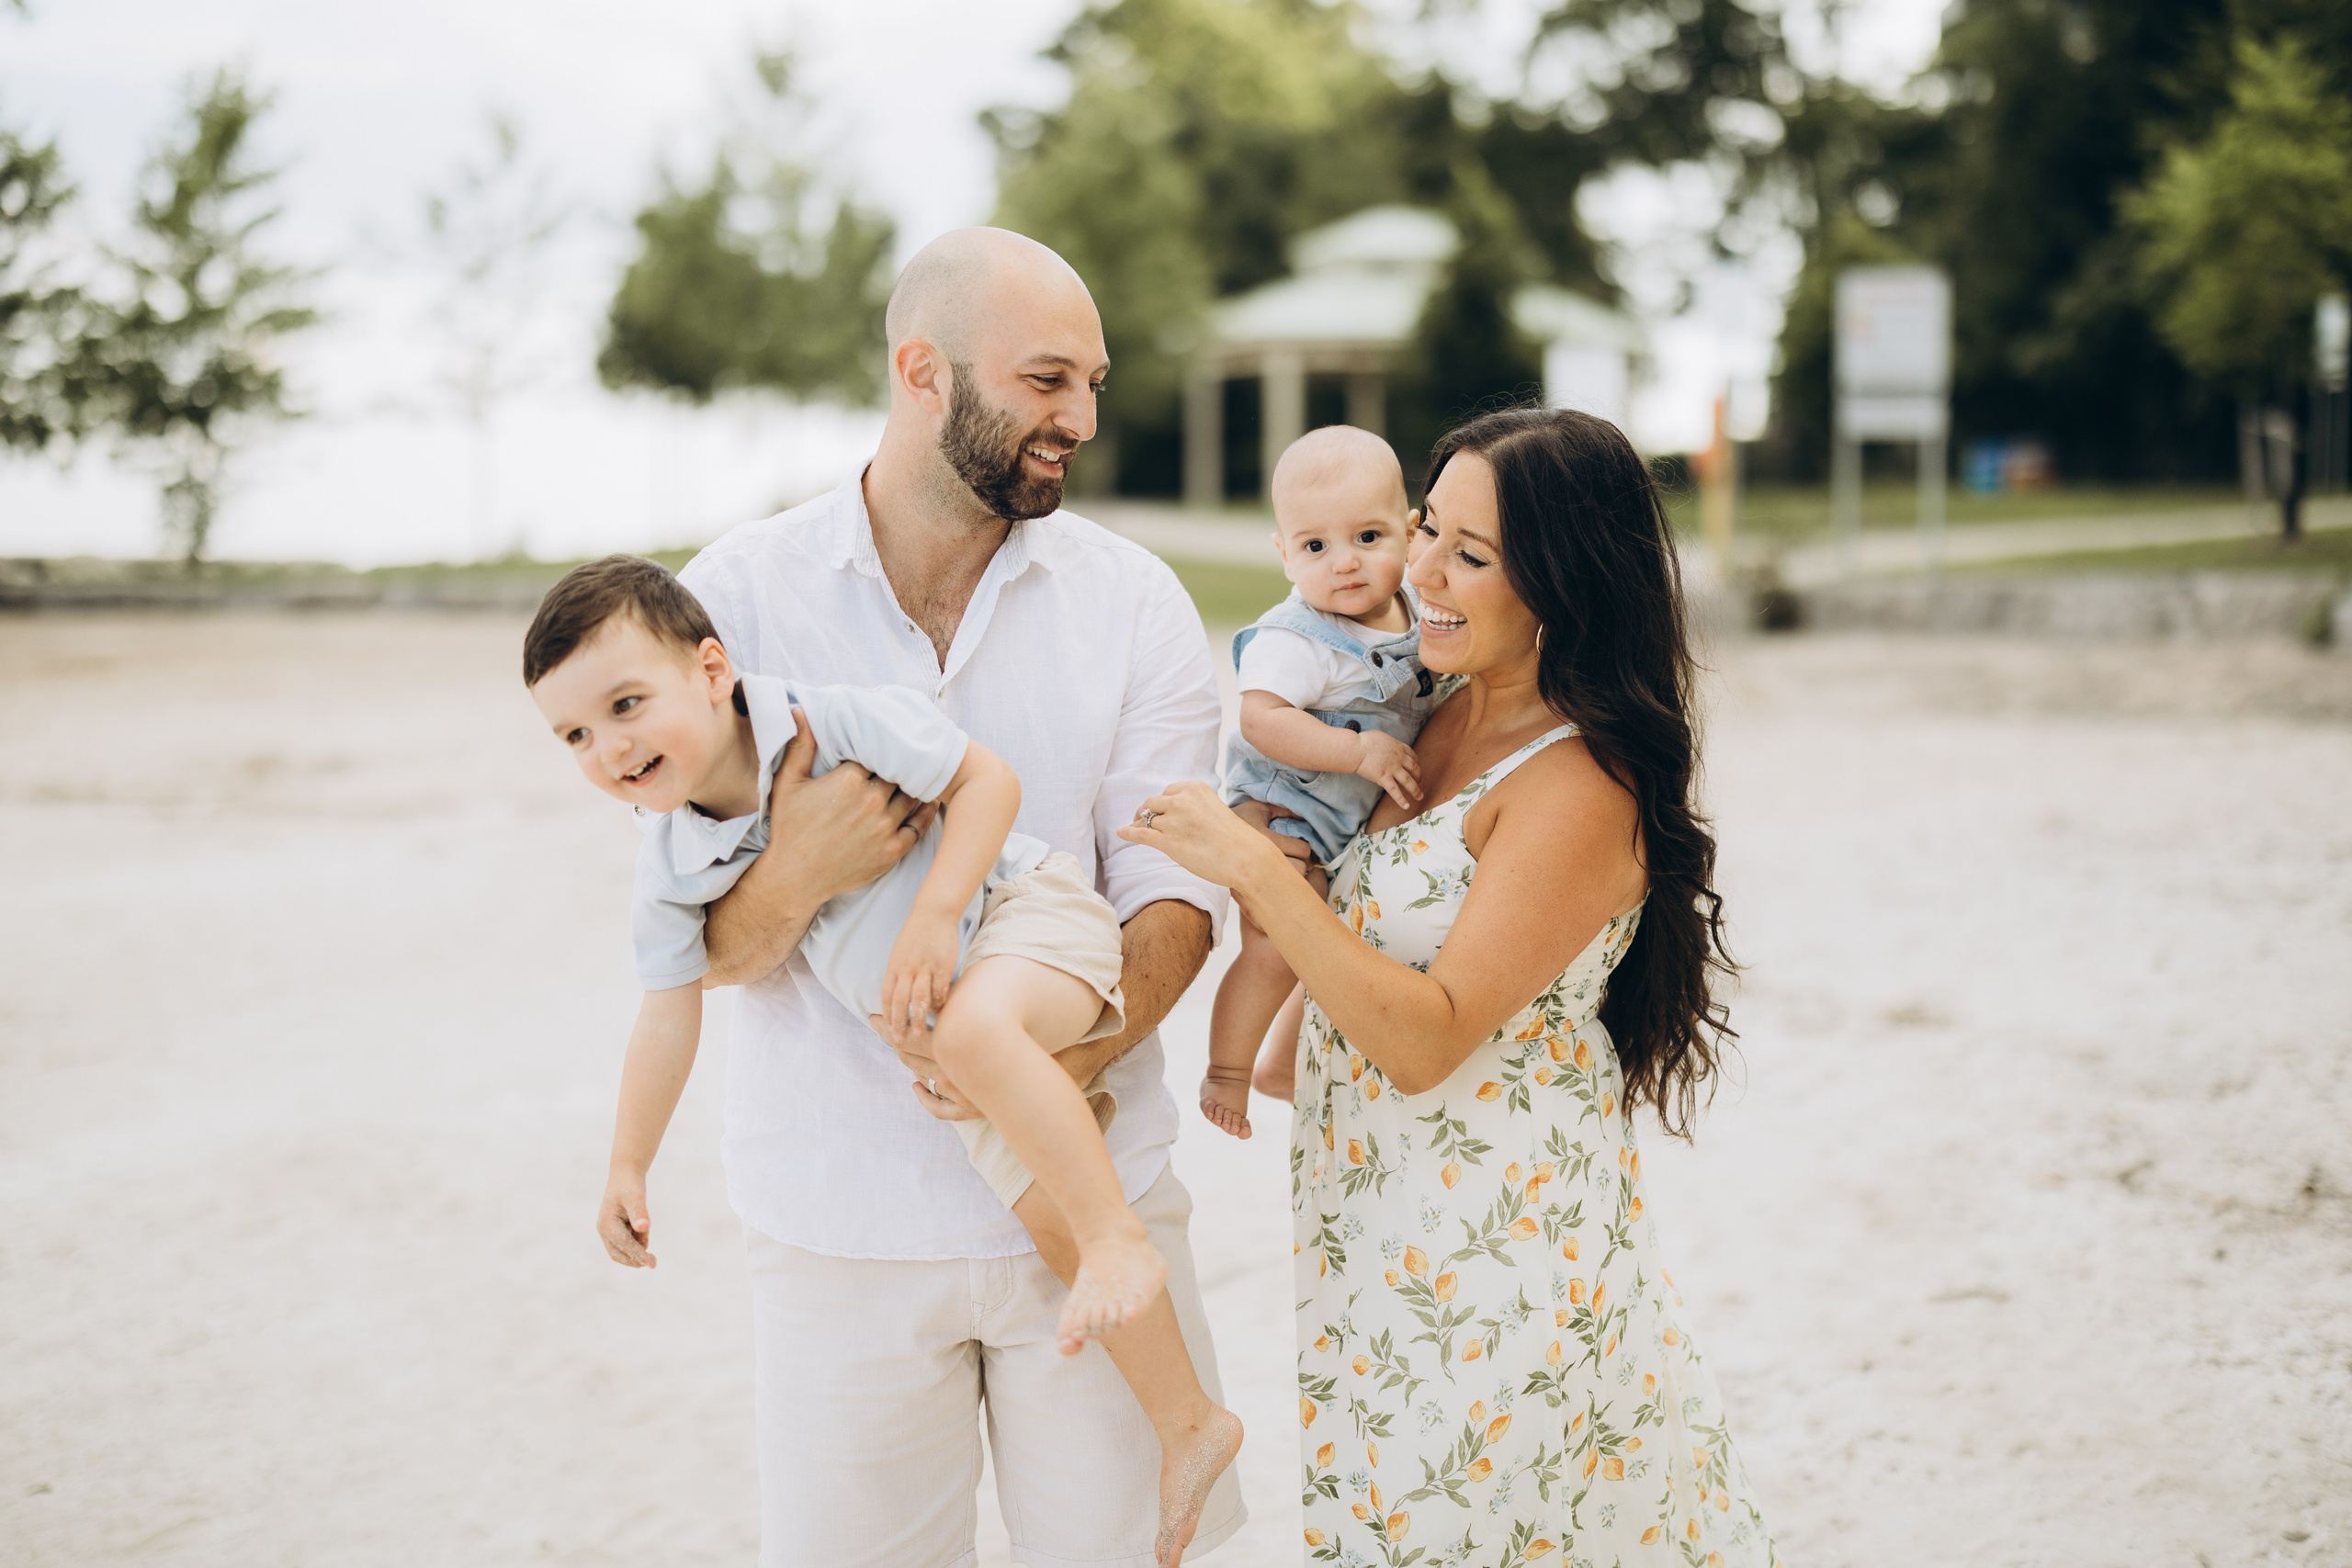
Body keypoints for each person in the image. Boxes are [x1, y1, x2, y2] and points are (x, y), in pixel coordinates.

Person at [669, 228, 1247, 1568]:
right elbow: (690, 948)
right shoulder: (731, 600)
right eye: (1048, 379)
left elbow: (1170, 897)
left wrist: (1061, 1064)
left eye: (1092, 383)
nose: (1082, 418)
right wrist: (808, 866)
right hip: (838, 1226)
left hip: (1101, 1191)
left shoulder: (1137, 601)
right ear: (920, 370)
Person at [1123, 408, 1781, 1563]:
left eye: (1468, 556)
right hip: (1381, 1234)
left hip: (1499, 1258)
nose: (1415, 571)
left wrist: (1248, 874)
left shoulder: (1580, 784)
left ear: (1560, 588)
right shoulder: (1436, 706)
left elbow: (1426, 1041)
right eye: (1425, 529)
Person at [518, 556, 1241, 1559]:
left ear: (713, 668)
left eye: (626, 705)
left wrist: (938, 914)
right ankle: (1188, 1422)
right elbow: (665, 1014)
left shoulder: (823, 720)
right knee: (1042, 1210)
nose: (611, 747)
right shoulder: (672, 857)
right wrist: (627, 1163)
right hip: (959, 1056)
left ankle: (1120, 1234)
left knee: (989, 1057)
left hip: (1026, 917)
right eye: (576, 736)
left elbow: (986, 779)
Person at [1199, 425, 1441, 1141]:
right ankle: (1229, 1071)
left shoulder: (1420, 614)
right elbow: (1262, 720)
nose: (1344, 564)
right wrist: (1358, 749)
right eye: (1315, 547)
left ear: (1410, 531)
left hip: (1341, 822)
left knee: (1339, 945)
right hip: (1279, 813)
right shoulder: (1298, 638)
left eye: (1368, 537)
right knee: (1278, 947)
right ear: (1283, 553)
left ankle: (1281, 1062)